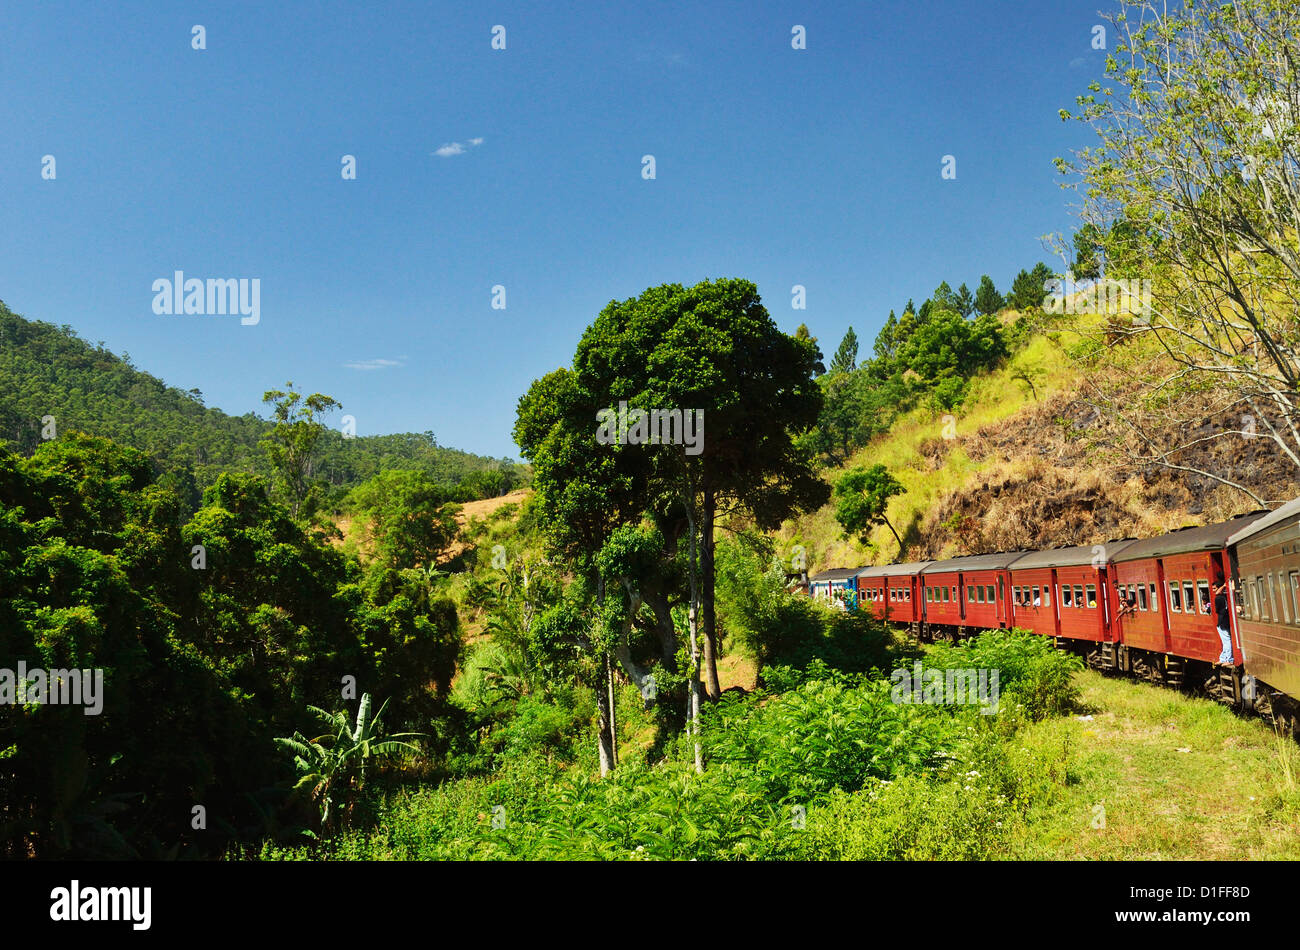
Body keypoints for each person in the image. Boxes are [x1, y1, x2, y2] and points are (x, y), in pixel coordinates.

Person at [1213, 580, 1233, 665]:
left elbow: (1217, 593)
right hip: (1223, 622)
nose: (1213, 590)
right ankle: (1223, 658)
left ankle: (1228, 659)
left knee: (1226, 641)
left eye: (1214, 588)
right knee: (1225, 641)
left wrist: (1224, 585)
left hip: (1222, 622)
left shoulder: (1219, 598)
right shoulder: (1225, 597)